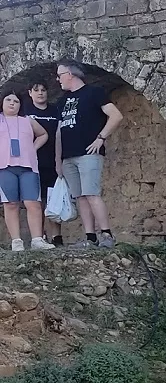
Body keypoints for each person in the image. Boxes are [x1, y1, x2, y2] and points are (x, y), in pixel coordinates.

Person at [55, 61, 123, 248]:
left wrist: (101, 138)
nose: (57, 79)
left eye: (59, 75)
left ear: (70, 74)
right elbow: (59, 132)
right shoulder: (62, 101)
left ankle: (107, 235)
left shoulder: (95, 93)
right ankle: (90, 237)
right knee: (80, 197)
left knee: (91, 193)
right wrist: (58, 160)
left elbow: (116, 115)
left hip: (88, 153)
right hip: (68, 156)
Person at [0, 92, 52, 252]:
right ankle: (16, 241)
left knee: (33, 204)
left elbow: (43, 134)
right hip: (4, 167)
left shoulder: (28, 120)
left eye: (16, 101)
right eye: (8, 100)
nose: (12, 103)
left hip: (28, 167)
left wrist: (33, 148)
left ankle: (37, 239)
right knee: (10, 204)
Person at [24, 81, 63, 247]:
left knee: (54, 199)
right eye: (36, 90)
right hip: (32, 162)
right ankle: (39, 237)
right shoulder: (25, 111)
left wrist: (60, 159)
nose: (40, 93)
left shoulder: (55, 110)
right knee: (36, 201)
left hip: (53, 160)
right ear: (30, 93)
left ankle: (57, 237)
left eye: (43, 90)